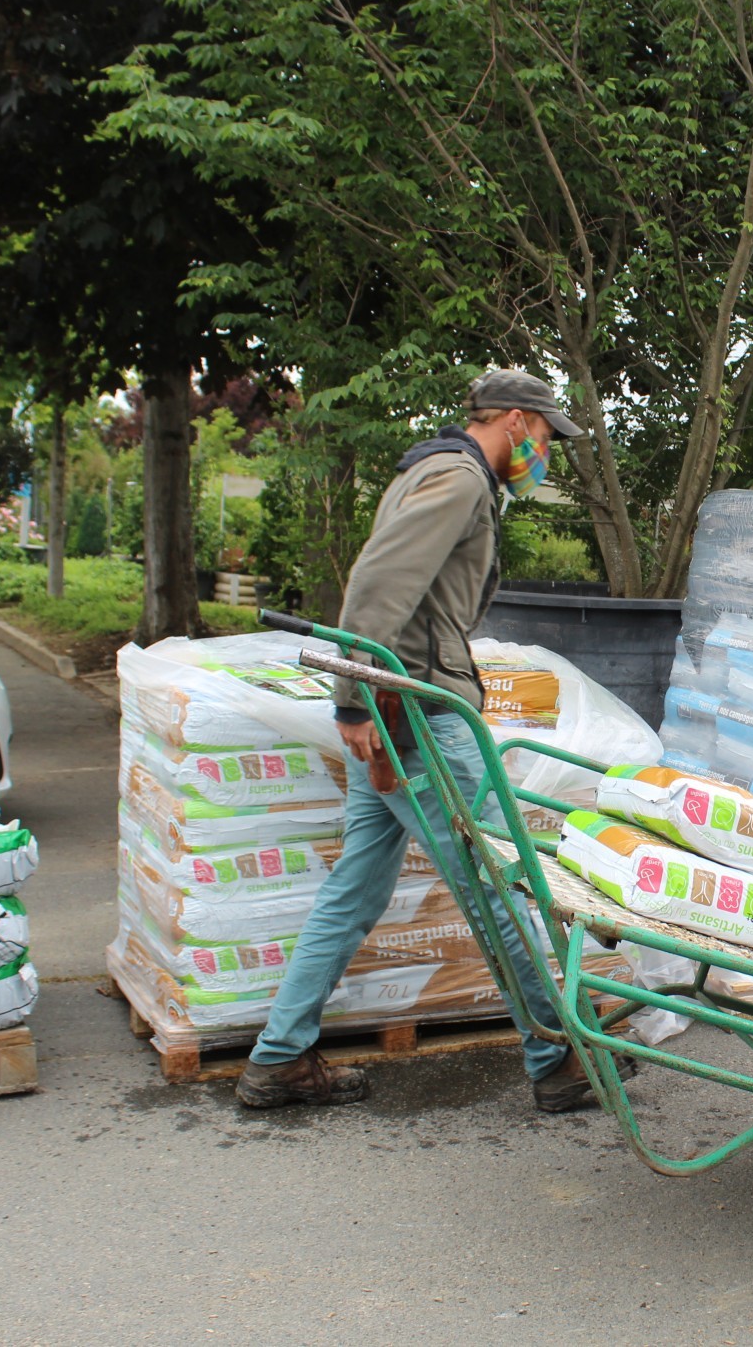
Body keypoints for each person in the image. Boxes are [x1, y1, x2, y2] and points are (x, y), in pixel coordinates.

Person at [237, 368, 612, 1113]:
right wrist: (353, 700)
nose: (542, 454)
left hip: (394, 711)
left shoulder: (432, 469)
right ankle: (556, 1056)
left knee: (356, 887)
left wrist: (364, 703)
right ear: (512, 421)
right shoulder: (461, 480)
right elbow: (379, 583)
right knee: (498, 879)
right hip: (413, 716)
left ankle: (278, 1058)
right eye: (540, 438)